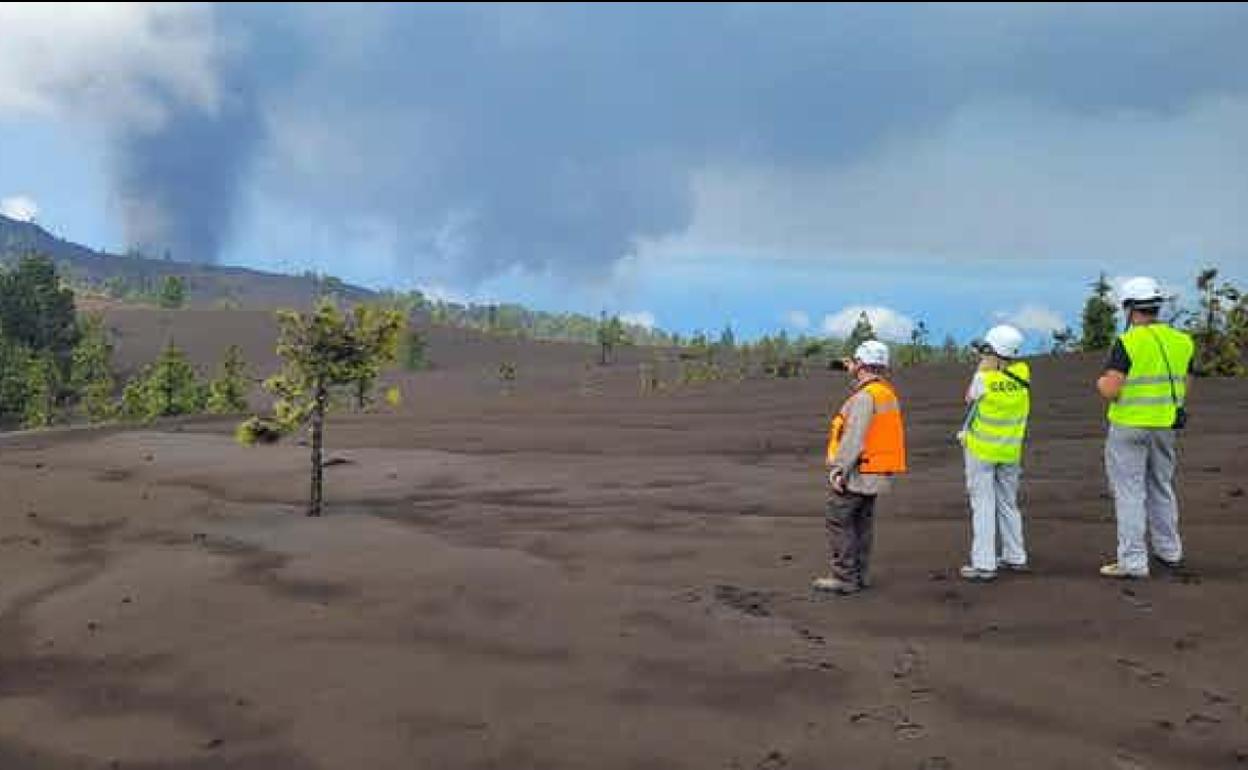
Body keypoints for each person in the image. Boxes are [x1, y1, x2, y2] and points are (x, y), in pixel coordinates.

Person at [1096, 276, 1195, 579]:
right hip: (1165, 427)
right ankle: (1169, 550)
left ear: (1129, 308)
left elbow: (1111, 389)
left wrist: (1100, 383)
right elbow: (1185, 385)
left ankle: (1133, 562)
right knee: (1161, 487)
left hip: (1129, 426)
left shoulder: (1128, 342)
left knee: (1129, 493)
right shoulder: (1183, 342)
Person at [813, 340, 907, 595]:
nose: (850, 366)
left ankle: (844, 577)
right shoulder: (885, 393)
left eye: (855, 362)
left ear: (862, 365)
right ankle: (860, 574)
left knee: (839, 519)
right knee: (862, 524)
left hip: (859, 471)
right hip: (876, 471)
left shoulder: (865, 397)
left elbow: (855, 436)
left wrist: (839, 469)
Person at [957, 325, 1030, 582]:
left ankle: (984, 563)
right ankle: (1015, 555)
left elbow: (969, 398)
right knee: (1008, 503)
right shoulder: (1023, 374)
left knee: (983, 506)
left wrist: (984, 366)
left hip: (981, 451)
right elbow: (1009, 372)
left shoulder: (983, 380)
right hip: (1010, 451)